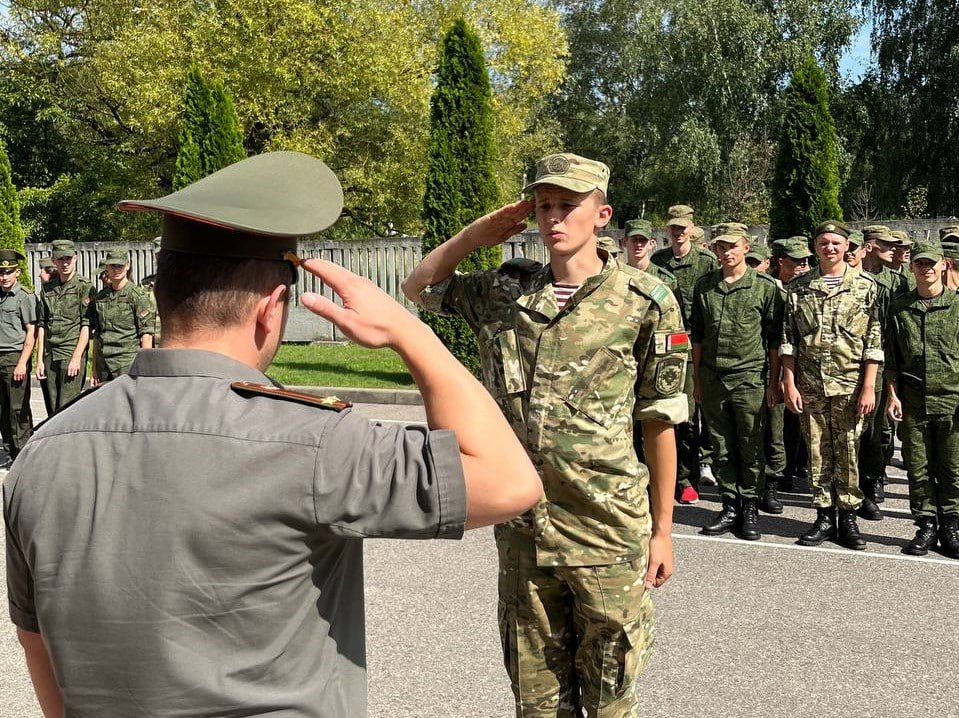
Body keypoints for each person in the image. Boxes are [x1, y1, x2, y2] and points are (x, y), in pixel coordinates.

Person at [4, 151, 542, 717]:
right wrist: (412, 334)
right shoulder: (311, 441)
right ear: (272, 308)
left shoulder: (44, 450)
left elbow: (37, 644)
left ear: (159, 296)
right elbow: (509, 483)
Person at [403, 152, 688, 717]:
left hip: (607, 529)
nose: (553, 218)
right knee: (537, 705)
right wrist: (476, 234)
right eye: (543, 206)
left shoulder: (645, 300)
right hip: (525, 531)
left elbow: (659, 419)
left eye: (568, 206)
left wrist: (663, 531)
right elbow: (418, 287)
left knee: (610, 703)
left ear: (601, 214)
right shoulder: (504, 293)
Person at [781, 221, 883, 551]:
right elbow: (788, 341)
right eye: (823, 242)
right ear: (815, 247)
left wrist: (868, 386)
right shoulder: (798, 289)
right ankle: (824, 515)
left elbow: (874, 342)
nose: (830, 248)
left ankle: (848, 517)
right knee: (816, 451)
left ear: (847, 246)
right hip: (810, 385)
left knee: (849, 452)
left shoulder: (867, 287)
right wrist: (789, 381)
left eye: (836, 242)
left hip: (851, 387)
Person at [692, 224, 784, 540]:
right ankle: (729, 505)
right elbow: (698, 337)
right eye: (720, 246)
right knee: (721, 445)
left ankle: (749, 508)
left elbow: (774, 339)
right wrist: (696, 381)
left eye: (732, 245)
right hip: (713, 377)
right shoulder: (704, 287)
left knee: (750, 445)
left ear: (746, 247)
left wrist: (774, 382)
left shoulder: (765, 287)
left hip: (750, 378)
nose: (726, 252)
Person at [885, 237, 959, 558]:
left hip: (952, 402)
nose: (925, 268)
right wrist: (892, 396)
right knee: (917, 469)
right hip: (913, 402)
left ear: (943, 264)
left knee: (953, 468)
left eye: (931, 263)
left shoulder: (957, 306)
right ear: (911, 267)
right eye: (919, 263)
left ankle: (951, 527)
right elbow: (891, 360)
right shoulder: (900, 309)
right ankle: (926, 526)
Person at [651, 204, 718, 504]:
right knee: (665, 414)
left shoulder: (706, 261)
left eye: (683, 227)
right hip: (666, 345)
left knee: (690, 417)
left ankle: (688, 478)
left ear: (692, 228)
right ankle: (666, 477)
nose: (678, 232)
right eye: (673, 227)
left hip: (695, 346)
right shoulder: (658, 261)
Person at [35, 240, 97, 413]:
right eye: (60, 259)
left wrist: (77, 357)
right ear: (54, 261)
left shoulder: (84, 287)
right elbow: (42, 325)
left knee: (68, 409)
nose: (65, 263)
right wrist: (39, 360)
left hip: (70, 353)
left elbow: (86, 325)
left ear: (75, 259)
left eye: (68, 258)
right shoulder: (47, 289)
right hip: (50, 355)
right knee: (52, 409)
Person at [89, 246, 156, 384]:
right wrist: (94, 368)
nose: (116, 269)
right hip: (104, 366)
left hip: (127, 365)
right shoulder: (101, 297)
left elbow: (146, 335)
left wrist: (145, 369)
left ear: (127, 266)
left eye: (120, 265)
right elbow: (97, 335)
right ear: (106, 267)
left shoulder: (137, 296)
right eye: (112, 265)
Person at [0, 250, 36, 464]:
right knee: (2, 409)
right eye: (1, 272)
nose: (4, 277)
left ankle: (24, 454)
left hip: (15, 358)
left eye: (9, 272)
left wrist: (23, 362)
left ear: (17, 272)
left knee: (18, 409)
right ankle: (10, 450)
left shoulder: (24, 296)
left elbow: (30, 332)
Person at [621, 218, 676, 290]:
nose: (638, 244)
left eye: (643, 240)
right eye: (634, 239)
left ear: (651, 244)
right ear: (624, 242)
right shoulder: (617, 277)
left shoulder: (665, 280)